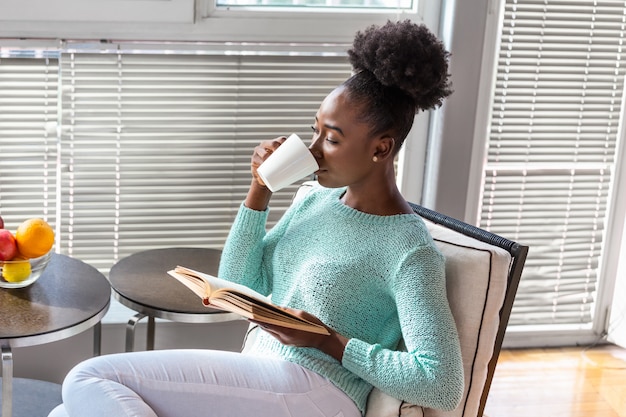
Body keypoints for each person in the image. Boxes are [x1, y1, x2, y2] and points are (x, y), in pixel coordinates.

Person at [49, 19, 464, 417]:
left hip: (320, 394)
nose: (314, 149)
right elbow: (240, 282)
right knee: (65, 412)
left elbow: (442, 382)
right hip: (262, 375)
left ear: (381, 149)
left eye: (332, 138)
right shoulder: (314, 200)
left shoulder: (408, 249)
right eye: (314, 130)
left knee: (86, 379)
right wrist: (260, 190)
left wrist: (331, 343)